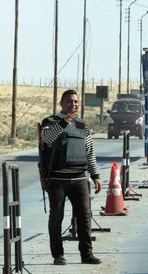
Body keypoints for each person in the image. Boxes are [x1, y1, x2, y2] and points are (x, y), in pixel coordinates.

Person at [40, 89, 103, 265]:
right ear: (61, 103)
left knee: (84, 216)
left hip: (80, 178)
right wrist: (63, 123)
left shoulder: (83, 125)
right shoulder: (50, 121)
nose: (73, 105)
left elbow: (89, 152)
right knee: (56, 217)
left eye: (76, 102)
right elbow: (46, 139)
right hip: (58, 179)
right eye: (69, 102)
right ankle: (58, 255)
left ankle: (87, 254)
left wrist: (96, 176)